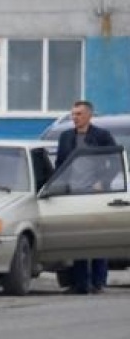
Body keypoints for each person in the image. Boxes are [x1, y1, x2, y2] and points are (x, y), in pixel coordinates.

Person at [55, 99, 116, 294]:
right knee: (77, 239)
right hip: (73, 194)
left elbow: (114, 163)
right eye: (73, 114)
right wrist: (57, 186)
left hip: (95, 194)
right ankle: (80, 283)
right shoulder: (66, 137)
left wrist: (103, 182)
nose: (75, 117)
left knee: (97, 238)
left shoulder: (102, 136)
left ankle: (98, 282)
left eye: (79, 114)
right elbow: (60, 164)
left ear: (89, 115)